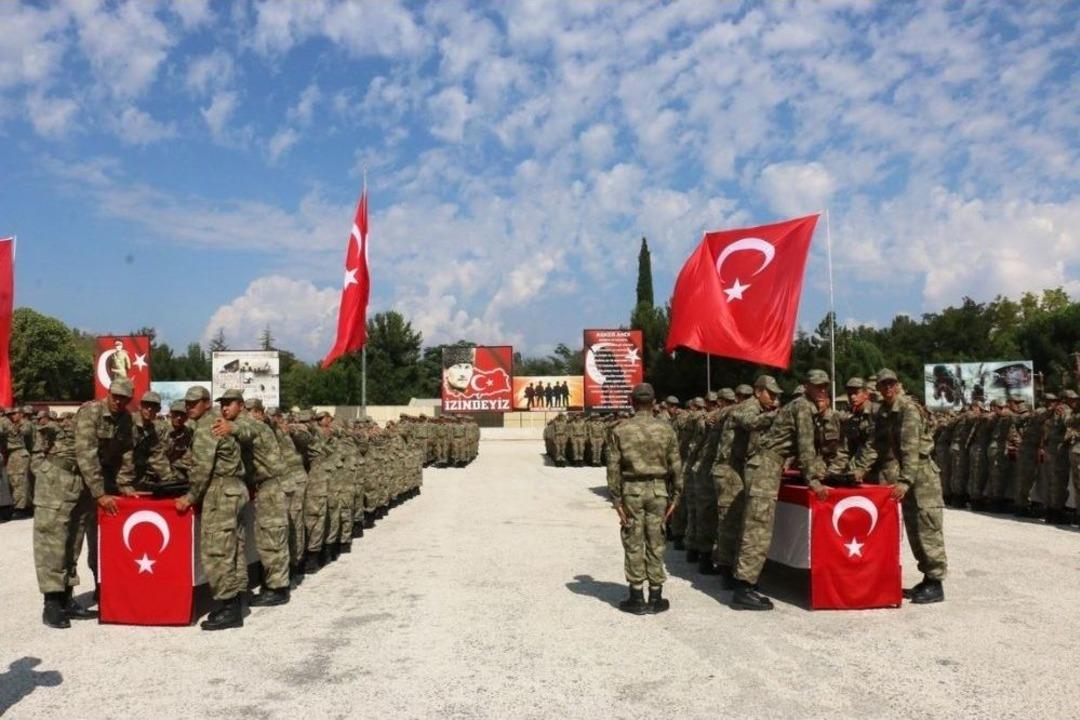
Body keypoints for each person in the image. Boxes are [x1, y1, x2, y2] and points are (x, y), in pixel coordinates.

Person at [731, 369, 831, 611]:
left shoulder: (801, 405)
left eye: (824, 386)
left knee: (756, 524)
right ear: (806, 386)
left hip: (766, 464)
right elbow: (805, 447)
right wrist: (813, 480)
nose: (821, 390)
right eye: (816, 386)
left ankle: (745, 581)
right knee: (758, 528)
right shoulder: (803, 406)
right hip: (766, 466)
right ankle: (744, 588)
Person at [33, 379, 129, 628]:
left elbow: (121, 454)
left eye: (125, 398)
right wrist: (100, 493)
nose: (119, 401)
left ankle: (67, 598)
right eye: (116, 396)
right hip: (58, 478)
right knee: (53, 540)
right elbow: (86, 453)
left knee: (73, 541)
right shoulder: (91, 411)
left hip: (83, 482)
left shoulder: (124, 419)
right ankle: (51, 604)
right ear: (109, 393)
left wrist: (124, 486)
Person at [861, 369, 948, 603]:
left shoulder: (908, 409)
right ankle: (927, 578)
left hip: (922, 477)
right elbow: (876, 445)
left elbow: (911, 449)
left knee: (927, 527)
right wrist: (857, 470)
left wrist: (905, 481)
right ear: (879, 388)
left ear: (898, 384)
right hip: (909, 475)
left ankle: (936, 582)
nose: (888, 388)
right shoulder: (886, 412)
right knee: (914, 529)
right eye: (883, 384)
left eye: (891, 383)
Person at [175, 386, 249, 631]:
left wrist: (190, 497)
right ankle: (236, 601)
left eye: (194, 403)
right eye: (187, 403)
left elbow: (203, 469)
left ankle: (229, 608)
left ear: (206, 403)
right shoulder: (217, 422)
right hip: (234, 488)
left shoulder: (208, 427)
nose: (189, 407)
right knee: (234, 548)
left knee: (218, 550)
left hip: (221, 492)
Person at [606, 383, 682, 614]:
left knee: (633, 540)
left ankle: (637, 596)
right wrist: (676, 496)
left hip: (632, 491)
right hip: (659, 491)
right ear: (654, 403)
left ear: (632, 402)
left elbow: (613, 468)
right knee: (656, 540)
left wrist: (616, 500)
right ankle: (656, 596)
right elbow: (676, 465)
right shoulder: (666, 430)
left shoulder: (620, 430)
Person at [213, 395, 291, 607]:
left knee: (271, 537)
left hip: (272, 485)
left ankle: (278, 589)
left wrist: (231, 428)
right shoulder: (244, 422)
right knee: (269, 535)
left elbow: (248, 431)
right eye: (222, 404)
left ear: (240, 406)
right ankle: (274, 583)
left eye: (228, 404)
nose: (224, 408)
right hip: (267, 486)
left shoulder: (248, 423)